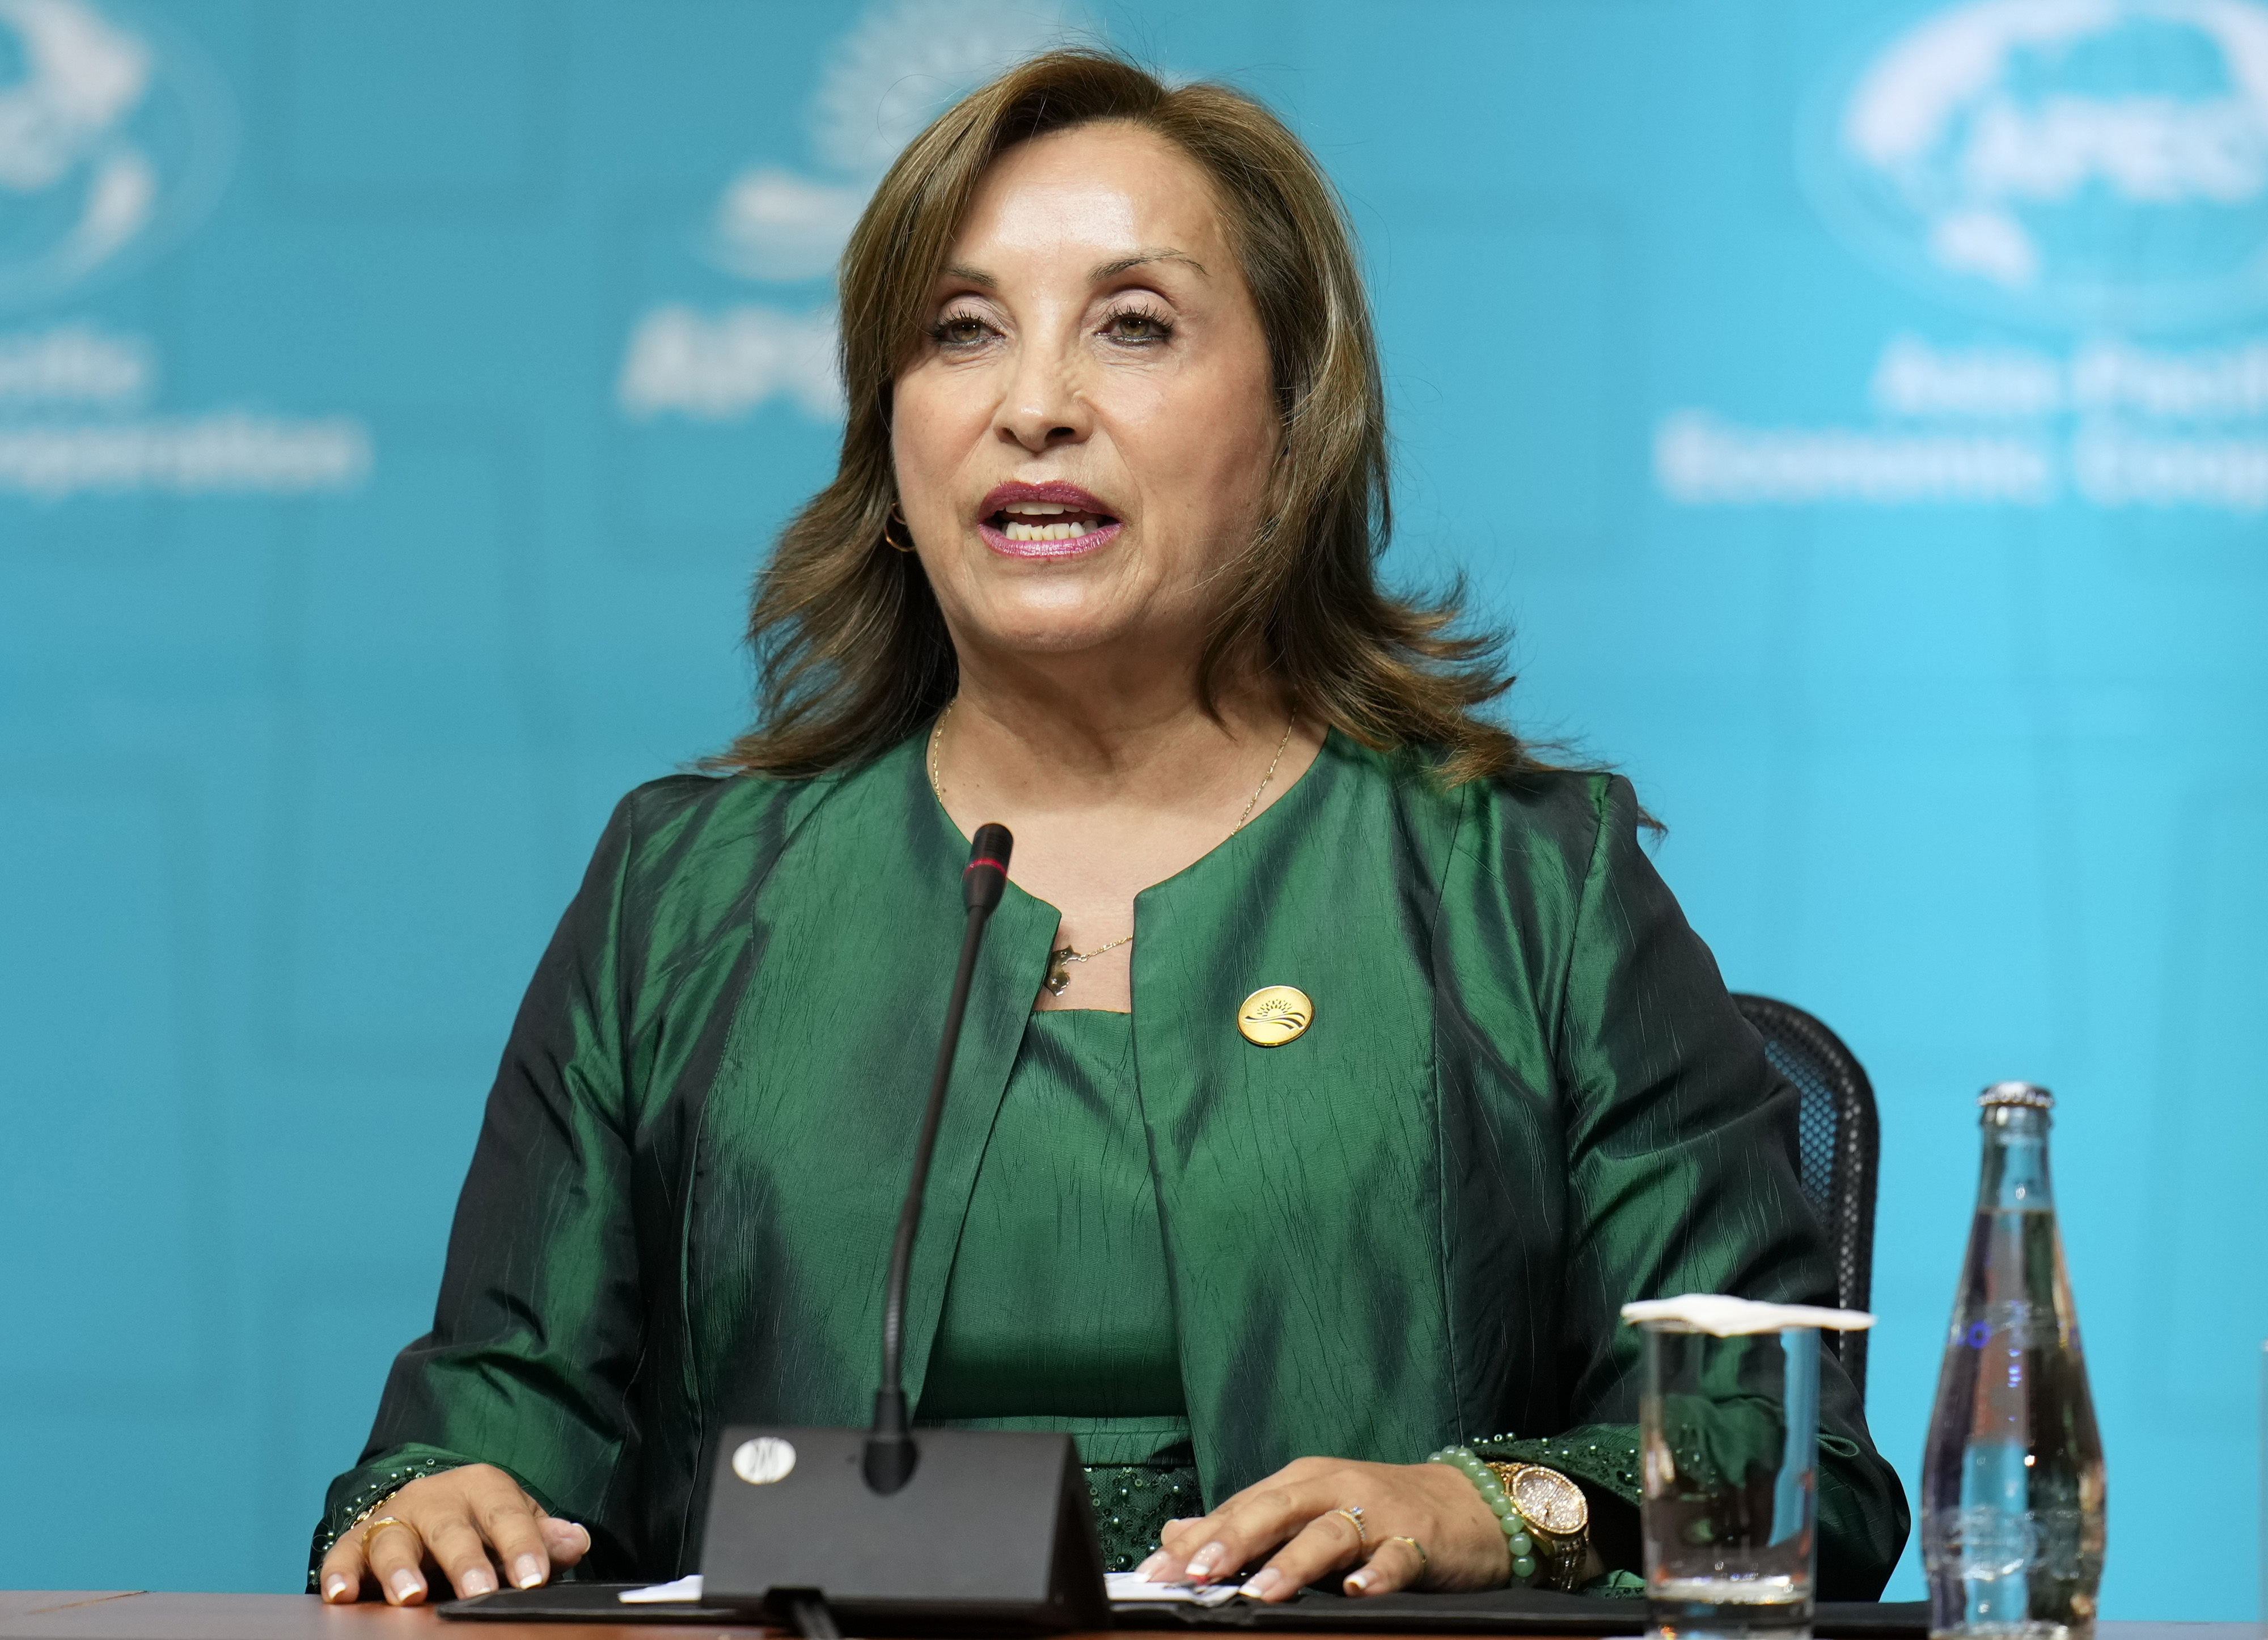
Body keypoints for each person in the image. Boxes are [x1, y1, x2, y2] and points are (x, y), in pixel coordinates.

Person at [311, 49, 1908, 1608]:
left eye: (1133, 327)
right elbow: (490, 1426)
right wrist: (439, 1506)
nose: (1035, 406)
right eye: (960, 335)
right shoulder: (689, 890)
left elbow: (1784, 1469)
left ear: (1297, 418)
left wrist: (1481, 1505)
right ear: (888, 439)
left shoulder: (1530, 883)